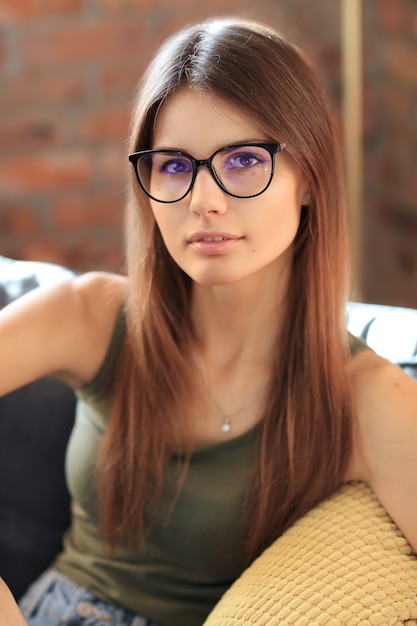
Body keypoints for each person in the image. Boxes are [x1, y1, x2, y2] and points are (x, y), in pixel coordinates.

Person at [0, 16, 416, 626]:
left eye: (244, 159)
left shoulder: (367, 396)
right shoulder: (90, 315)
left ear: (310, 177)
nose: (204, 200)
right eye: (173, 166)